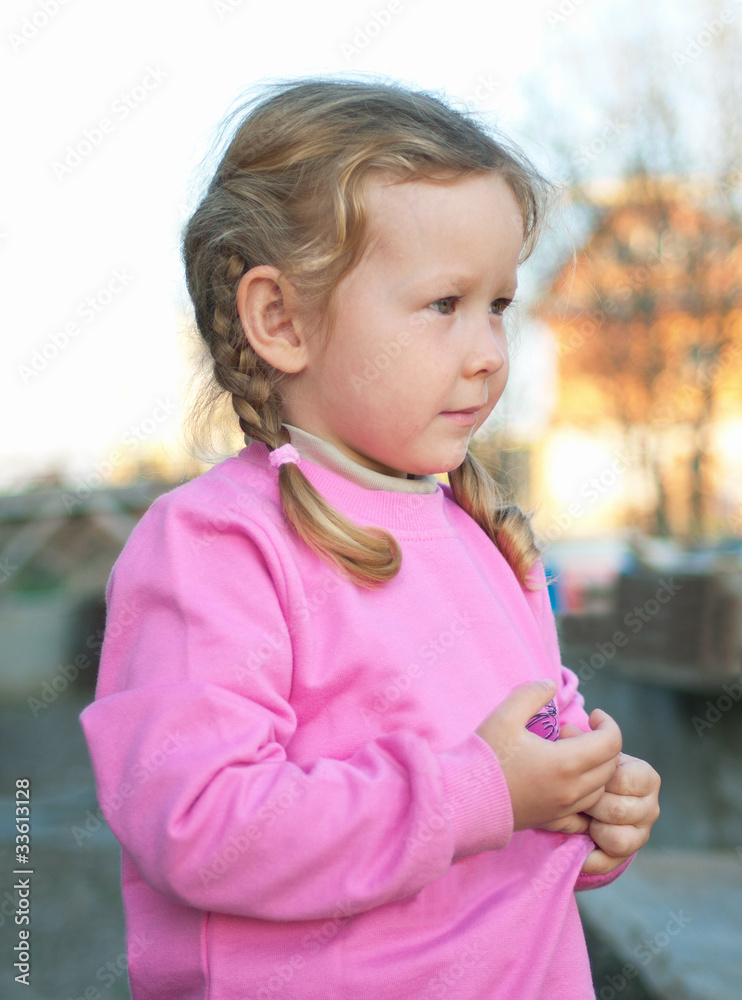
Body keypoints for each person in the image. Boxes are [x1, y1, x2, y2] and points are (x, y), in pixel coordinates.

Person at [80, 76, 660, 1000]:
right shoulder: (214, 548)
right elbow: (201, 824)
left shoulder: (487, 540)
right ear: (282, 319)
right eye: (443, 305)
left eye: (500, 306)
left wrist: (595, 806)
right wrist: (484, 791)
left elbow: (523, 790)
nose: (489, 353)